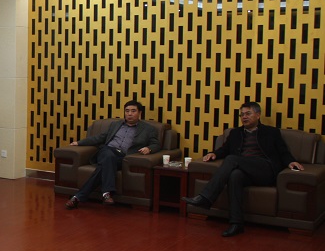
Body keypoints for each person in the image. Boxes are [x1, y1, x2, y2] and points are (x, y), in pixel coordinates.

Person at [182, 101, 303, 237]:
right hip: (245, 169)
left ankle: (206, 197)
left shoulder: (271, 132)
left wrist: (291, 161)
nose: (244, 117)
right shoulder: (235, 133)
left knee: (232, 159)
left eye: (248, 114)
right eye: (242, 115)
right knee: (235, 176)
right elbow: (225, 149)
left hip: (265, 169)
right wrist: (214, 153)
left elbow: (283, 151)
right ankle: (236, 224)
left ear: (258, 115)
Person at [65, 100, 160, 208]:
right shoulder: (115, 125)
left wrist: (149, 148)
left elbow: (156, 144)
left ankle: (77, 197)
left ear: (140, 113)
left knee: (103, 167)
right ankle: (107, 192)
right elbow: (100, 137)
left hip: (123, 157)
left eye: (133, 111)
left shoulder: (148, 129)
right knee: (108, 156)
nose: (129, 114)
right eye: (127, 111)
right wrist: (79, 142)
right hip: (107, 150)